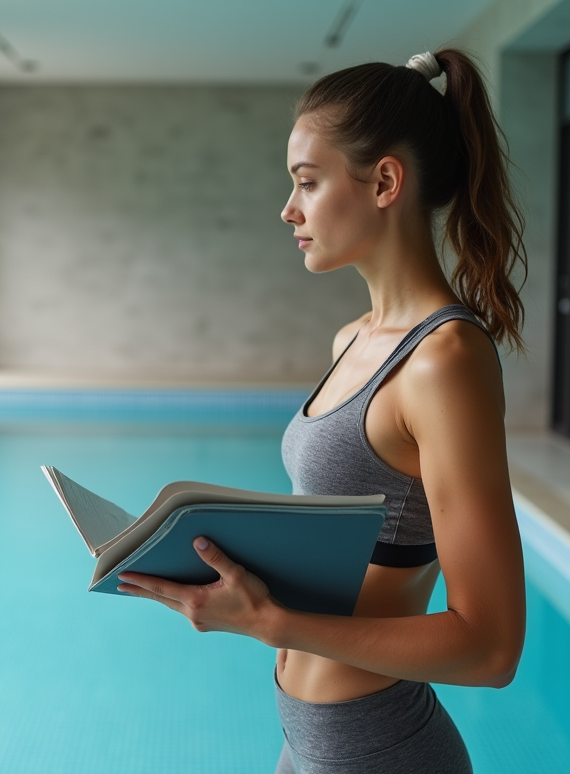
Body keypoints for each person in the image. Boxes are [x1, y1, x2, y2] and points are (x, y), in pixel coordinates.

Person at [116, 49, 528, 774]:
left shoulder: (443, 360)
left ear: (385, 181)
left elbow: (491, 647)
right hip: (309, 738)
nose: (289, 209)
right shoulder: (353, 340)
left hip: (380, 749)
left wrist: (272, 622)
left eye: (307, 182)